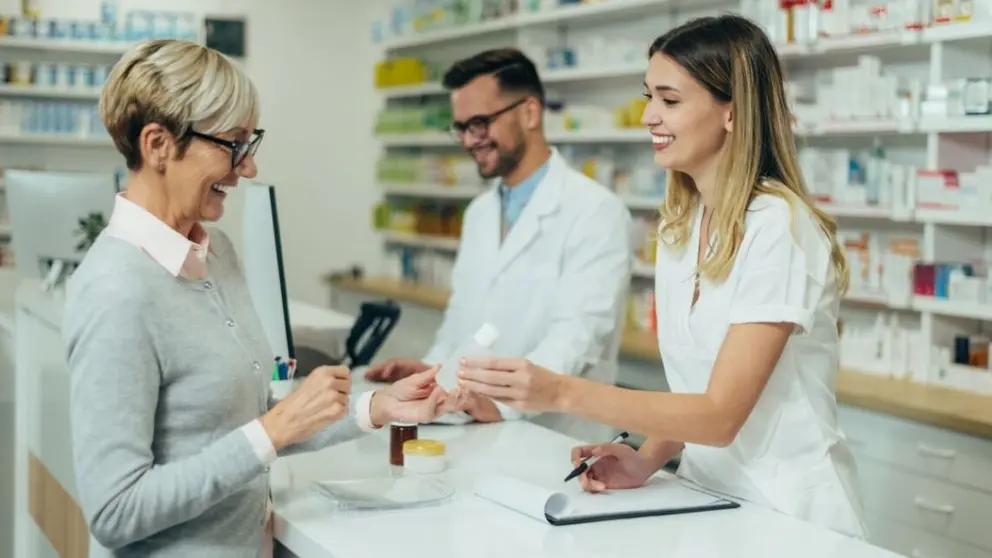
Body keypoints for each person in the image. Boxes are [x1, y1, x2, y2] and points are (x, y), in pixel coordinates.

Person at [455, 15, 868, 540]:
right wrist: (644, 457)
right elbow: (695, 392)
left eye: (670, 100)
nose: (650, 115)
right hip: (710, 498)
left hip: (792, 513)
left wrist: (560, 392)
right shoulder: (683, 224)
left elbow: (719, 416)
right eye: (649, 96)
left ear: (732, 114)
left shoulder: (780, 229)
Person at [63, 39, 446, 558]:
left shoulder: (214, 250)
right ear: (157, 145)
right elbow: (115, 511)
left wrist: (374, 408)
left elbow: (246, 416)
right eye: (233, 144)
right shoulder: (115, 290)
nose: (248, 168)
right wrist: (272, 429)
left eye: (251, 143)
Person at [364, 48, 632, 440]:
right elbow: (462, 322)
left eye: (480, 122)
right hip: (476, 431)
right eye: (461, 127)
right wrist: (431, 372)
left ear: (529, 112)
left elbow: (576, 338)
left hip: (557, 439)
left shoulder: (595, 211)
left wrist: (501, 404)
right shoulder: (479, 213)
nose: (470, 140)